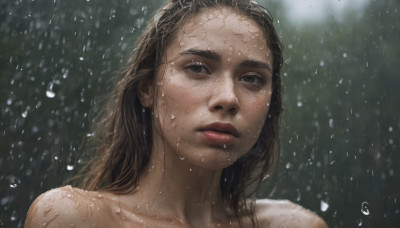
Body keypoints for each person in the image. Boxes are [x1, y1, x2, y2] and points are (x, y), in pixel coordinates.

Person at [25, 0, 328, 227]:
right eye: (198, 68)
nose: (228, 98)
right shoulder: (73, 218)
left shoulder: (294, 225)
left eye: (252, 78)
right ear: (147, 87)